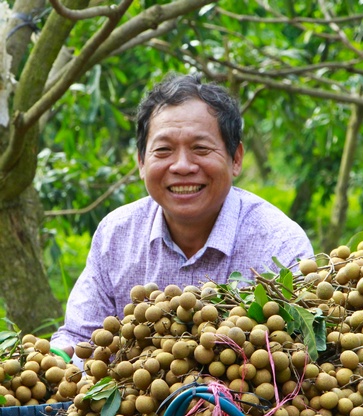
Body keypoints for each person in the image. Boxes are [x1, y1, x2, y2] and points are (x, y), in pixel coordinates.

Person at [50, 73, 314, 357]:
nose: (182, 166)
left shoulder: (280, 244)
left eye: (200, 148)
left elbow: (303, 353)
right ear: (141, 162)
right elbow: (79, 337)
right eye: (163, 150)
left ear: (235, 159)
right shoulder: (116, 235)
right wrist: (55, 361)